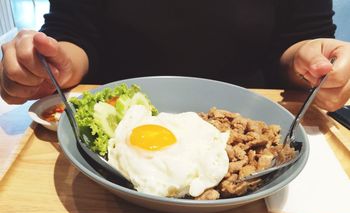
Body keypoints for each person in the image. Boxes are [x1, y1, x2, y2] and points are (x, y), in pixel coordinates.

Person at [1, 0, 349, 112]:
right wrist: (49, 63)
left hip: (248, 116)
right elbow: (74, 33)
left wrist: (314, 59)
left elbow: (298, 40)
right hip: (118, 119)